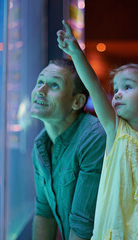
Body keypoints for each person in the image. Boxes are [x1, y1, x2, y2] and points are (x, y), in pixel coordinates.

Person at [57, 20, 138, 239]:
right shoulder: (117, 130)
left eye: (127, 87)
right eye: (116, 88)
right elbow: (94, 85)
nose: (117, 93)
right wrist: (76, 53)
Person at [30, 58, 106, 240]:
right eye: (40, 82)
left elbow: (82, 227)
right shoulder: (41, 145)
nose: (40, 90)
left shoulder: (93, 137)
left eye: (54, 85)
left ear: (77, 102)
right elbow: (44, 212)